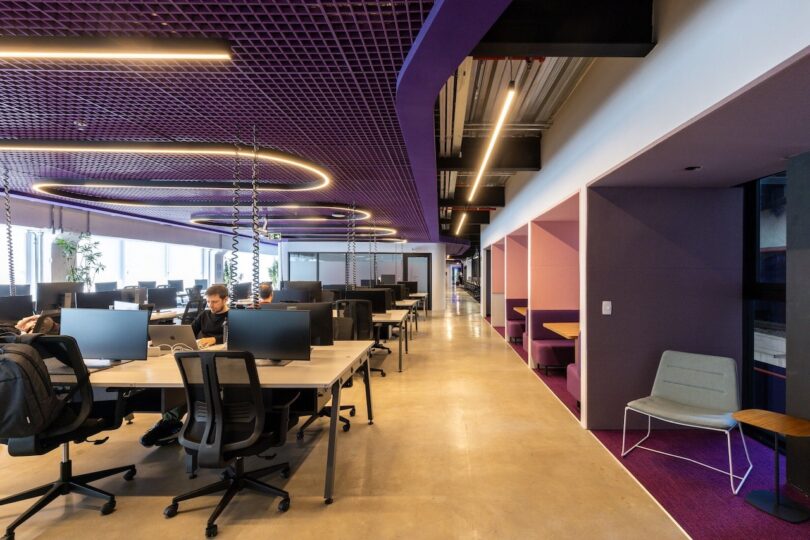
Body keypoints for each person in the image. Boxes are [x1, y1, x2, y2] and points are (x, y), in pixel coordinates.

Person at [140, 284, 230, 447]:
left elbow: (237, 335)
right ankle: (169, 423)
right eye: (208, 301)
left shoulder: (233, 316)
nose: (211, 305)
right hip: (199, 358)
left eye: (215, 302)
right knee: (181, 383)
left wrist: (215, 340)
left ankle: (172, 422)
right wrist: (162, 339)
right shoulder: (205, 315)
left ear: (225, 299)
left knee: (194, 387)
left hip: (222, 361)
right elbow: (188, 332)